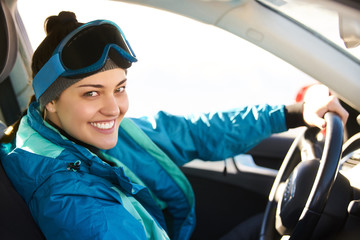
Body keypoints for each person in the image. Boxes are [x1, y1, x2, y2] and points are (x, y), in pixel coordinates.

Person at [0, 11, 349, 240]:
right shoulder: (72, 201)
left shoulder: (82, 134)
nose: (114, 108)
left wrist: (292, 113)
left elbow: (193, 132)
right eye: (91, 93)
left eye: (119, 88)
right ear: (50, 100)